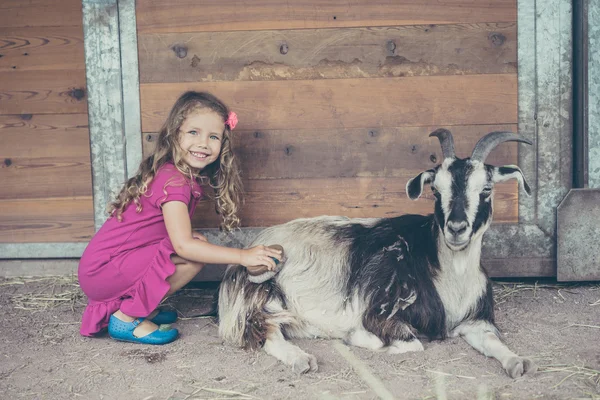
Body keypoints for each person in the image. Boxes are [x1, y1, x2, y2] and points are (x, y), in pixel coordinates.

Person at [78, 91, 282, 345]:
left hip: (100, 268)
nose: (204, 143)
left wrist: (186, 240)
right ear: (174, 135)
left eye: (213, 137)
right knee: (193, 257)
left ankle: (139, 305)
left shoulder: (172, 174)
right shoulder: (174, 182)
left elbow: (160, 232)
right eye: (193, 133)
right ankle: (127, 317)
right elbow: (183, 246)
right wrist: (243, 256)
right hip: (103, 271)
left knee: (196, 247)